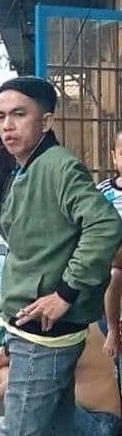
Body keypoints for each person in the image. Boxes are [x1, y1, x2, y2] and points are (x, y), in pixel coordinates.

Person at [0, 76, 122, 436]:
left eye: (19, 115)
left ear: (46, 122)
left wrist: (65, 293)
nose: (7, 126)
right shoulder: (28, 167)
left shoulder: (59, 168)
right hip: (33, 326)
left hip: (44, 334)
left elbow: (105, 225)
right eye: (0, 116)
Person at [0, 321, 121, 436]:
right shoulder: (41, 319)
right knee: (3, 372)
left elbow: (37, 382)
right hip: (72, 409)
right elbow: (1, 355)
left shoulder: (70, 324)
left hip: (99, 423)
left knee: (29, 403)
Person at [98, 133, 122, 357]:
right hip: (115, 256)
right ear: (114, 157)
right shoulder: (105, 190)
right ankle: (114, 331)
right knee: (114, 275)